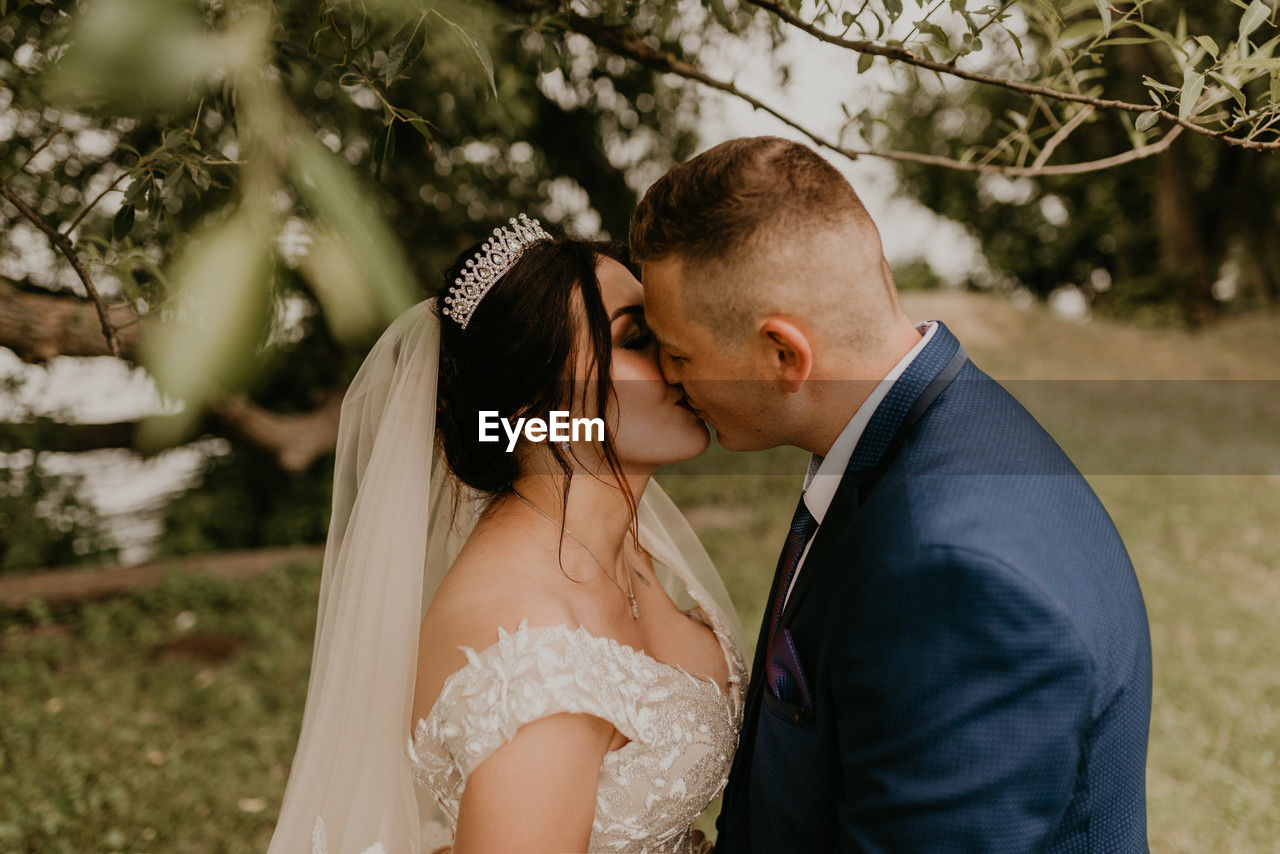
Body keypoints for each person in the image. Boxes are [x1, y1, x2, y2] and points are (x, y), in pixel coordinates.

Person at [631, 136, 1153, 852]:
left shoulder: (953, 575)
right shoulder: (921, 429)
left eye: (679, 353)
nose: (669, 376)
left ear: (784, 355)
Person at [266, 217, 747, 854]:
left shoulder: (626, 546)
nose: (680, 355)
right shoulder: (534, 652)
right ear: (528, 405)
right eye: (638, 338)